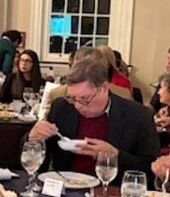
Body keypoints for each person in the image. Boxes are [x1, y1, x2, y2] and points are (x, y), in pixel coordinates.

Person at [28, 57, 159, 183]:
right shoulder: (62, 107)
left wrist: (116, 156)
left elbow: (150, 169)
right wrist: (33, 138)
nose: (77, 105)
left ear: (104, 88)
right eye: (72, 98)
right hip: (64, 190)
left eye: (84, 99)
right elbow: (39, 159)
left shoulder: (138, 115)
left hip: (111, 194)